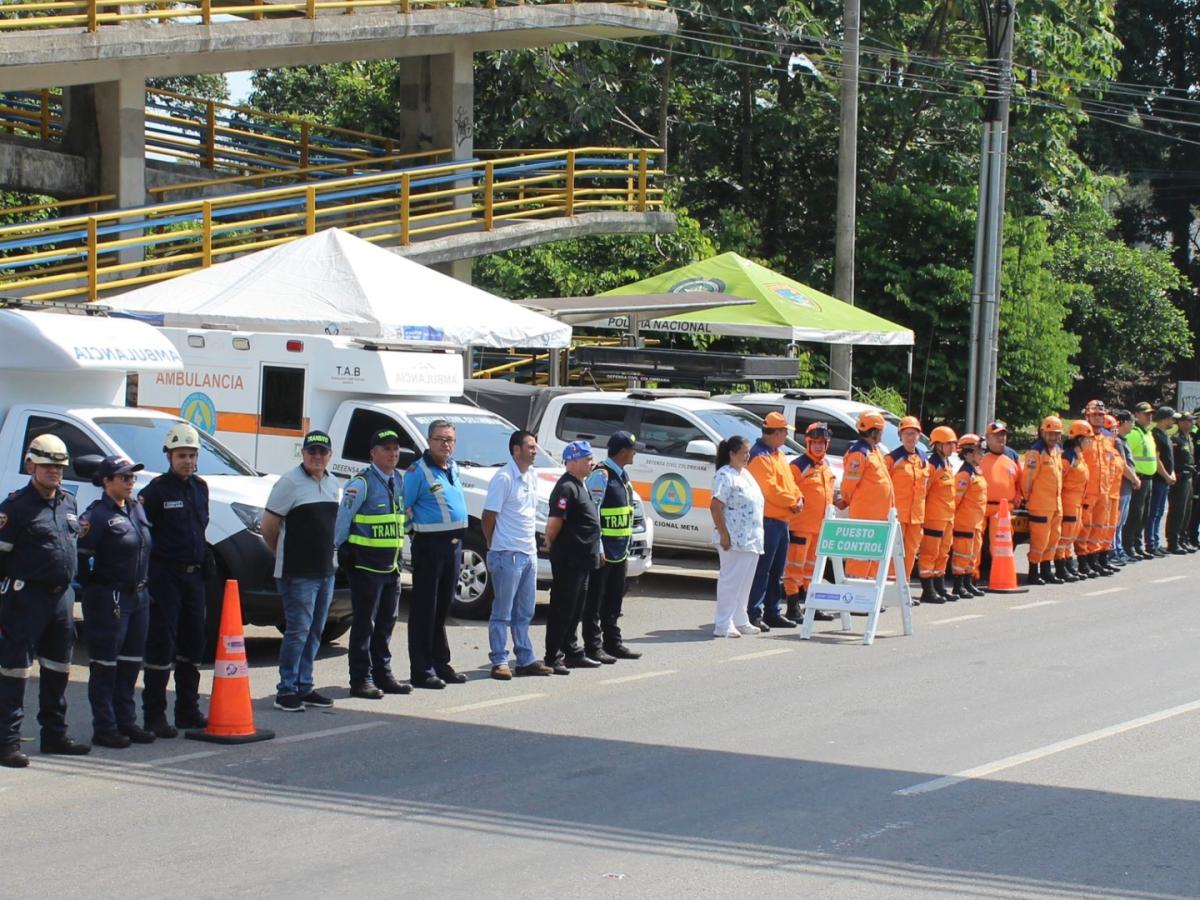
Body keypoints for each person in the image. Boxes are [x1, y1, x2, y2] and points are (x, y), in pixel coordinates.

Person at [0, 435, 91, 768]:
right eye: (48, 465)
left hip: (62, 597)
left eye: (60, 466)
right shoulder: (14, 507)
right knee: (15, 669)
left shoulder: (69, 502)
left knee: (58, 668)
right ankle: (7, 742)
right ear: (31, 465)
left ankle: (54, 734)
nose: (56, 471)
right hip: (26, 597)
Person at [77, 455, 156, 748]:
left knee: (131, 664)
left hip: (139, 596)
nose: (130, 482)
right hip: (110, 597)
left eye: (132, 477)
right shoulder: (95, 516)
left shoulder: (136, 509)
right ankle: (105, 727)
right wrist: (96, 590)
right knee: (105, 665)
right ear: (107, 482)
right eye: (124, 477)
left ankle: (126, 721)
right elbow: (81, 560)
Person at [261, 430, 341, 712]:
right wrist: (282, 554)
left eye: (322, 452)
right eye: (312, 452)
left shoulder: (333, 483)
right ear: (303, 453)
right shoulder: (289, 483)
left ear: (330, 455)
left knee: (316, 630)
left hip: (325, 571)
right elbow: (268, 527)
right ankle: (286, 690)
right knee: (298, 630)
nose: (317, 457)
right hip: (297, 573)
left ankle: (305, 686)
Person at [139, 422, 209, 738]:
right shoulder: (154, 492)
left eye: (192, 455)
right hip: (164, 576)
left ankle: (187, 710)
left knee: (192, 646)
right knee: (160, 647)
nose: (188, 461)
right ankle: (154, 716)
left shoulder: (200, 488)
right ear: (169, 455)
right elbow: (142, 535)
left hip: (194, 578)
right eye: (182, 455)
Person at [335, 429, 411, 699]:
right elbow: (342, 523)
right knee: (364, 624)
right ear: (372, 453)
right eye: (386, 448)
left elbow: (399, 519)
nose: (392, 453)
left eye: (395, 448)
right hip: (365, 567)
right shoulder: (361, 484)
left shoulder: (398, 480)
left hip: (391, 566)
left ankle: (383, 673)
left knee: (387, 622)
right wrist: (344, 553)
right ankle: (361, 679)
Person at [403, 419, 470, 689]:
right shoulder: (417, 471)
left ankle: (441, 663)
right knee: (424, 610)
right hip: (430, 547)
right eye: (440, 439)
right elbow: (403, 507)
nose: (445, 444)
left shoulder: (452, 467)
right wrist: (414, 534)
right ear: (429, 441)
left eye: (450, 440)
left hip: (453, 547)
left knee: (443, 608)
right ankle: (422, 669)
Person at [483, 430, 552, 679]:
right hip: (507, 553)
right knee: (503, 611)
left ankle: (525, 659)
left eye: (535, 446)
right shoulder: (503, 478)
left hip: (528, 553)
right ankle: (499, 660)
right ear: (516, 450)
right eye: (530, 446)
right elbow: (488, 516)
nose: (535, 451)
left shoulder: (532, 476)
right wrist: (493, 544)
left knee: (525, 611)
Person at [576, 431, 644, 662]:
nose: (635, 453)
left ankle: (613, 643)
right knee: (595, 601)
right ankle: (593, 646)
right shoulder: (602, 475)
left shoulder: (622, 475)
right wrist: (599, 547)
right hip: (604, 551)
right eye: (633, 449)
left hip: (621, 550)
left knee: (614, 600)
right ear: (623, 451)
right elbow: (593, 513)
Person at [542, 441, 602, 672]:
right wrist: (552, 542)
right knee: (563, 608)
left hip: (583, 560)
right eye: (587, 459)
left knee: (576, 608)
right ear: (574, 461)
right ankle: (553, 656)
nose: (592, 463)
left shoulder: (582, 484)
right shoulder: (566, 487)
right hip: (569, 560)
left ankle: (572, 651)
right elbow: (555, 522)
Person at [746, 412, 802, 630]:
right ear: (776, 432)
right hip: (769, 520)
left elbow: (789, 483)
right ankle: (754, 613)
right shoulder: (760, 456)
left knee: (776, 571)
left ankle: (772, 611)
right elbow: (770, 490)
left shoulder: (777, 454)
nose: (786, 435)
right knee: (763, 570)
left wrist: (799, 497)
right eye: (784, 431)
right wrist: (793, 502)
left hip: (781, 520)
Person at [710, 436, 765, 638]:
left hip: (751, 539)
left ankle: (741, 620)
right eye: (744, 452)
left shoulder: (746, 474)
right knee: (730, 581)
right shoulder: (725, 475)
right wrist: (724, 534)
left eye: (748, 452)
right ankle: (723, 623)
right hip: (733, 539)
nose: (747, 456)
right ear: (732, 454)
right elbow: (716, 506)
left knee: (744, 583)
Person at [783, 423, 837, 620]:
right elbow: (788, 490)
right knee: (795, 567)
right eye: (815, 443)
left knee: (813, 569)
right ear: (807, 443)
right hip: (801, 526)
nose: (819, 447)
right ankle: (792, 607)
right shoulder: (798, 466)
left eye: (822, 443)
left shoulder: (826, 466)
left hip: (820, 527)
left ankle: (812, 606)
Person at [837, 410, 896, 580]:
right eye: (880, 431)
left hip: (878, 515)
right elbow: (849, 483)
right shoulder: (859, 453)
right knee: (860, 556)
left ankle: (869, 592)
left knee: (875, 554)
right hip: (865, 514)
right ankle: (856, 590)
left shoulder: (873, 450)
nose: (882, 435)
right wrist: (846, 499)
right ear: (873, 431)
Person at [885, 416, 929, 587]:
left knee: (911, 552)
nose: (911, 437)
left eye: (914, 433)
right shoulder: (891, 459)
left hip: (916, 516)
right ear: (900, 436)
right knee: (894, 553)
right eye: (907, 433)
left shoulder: (923, 459)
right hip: (898, 515)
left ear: (919, 436)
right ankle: (889, 587)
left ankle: (904, 588)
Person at [918, 425, 958, 603]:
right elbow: (924, 492)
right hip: (933, 517)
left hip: (947, 517)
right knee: (929, 553)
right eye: (948, 444)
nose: (952, 447)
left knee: (944, 553)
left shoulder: (947, 464)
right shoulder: (932, 465)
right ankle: (928, 590)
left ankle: (940, 586)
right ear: (938, 445)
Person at [979, 420, 1022, 581]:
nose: (1001, 439)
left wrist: (1018, 496)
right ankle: (973, 574)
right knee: (974, 542)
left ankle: (998, 573)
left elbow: (1020, 480)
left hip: (1003, 508)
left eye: (1003, 436)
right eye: (997, 436)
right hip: (981, 505)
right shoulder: (980, 455)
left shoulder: (1012, 456)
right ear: (988, 439)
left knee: (1000, 544)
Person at [1024, 416, 1065, 586]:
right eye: (1050, 434)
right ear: (1042, 432)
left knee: (1053, 539)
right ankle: (1034, 572)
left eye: (1056, 434)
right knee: (1040, 540)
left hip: (1055, 504)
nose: (1053, 437)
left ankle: (1047, 570)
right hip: (1040, 505)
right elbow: (1028, 480)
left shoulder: (1056, 451)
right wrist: (1028, 499)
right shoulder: (1036, 452)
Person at [1078, 402, 1116, 577]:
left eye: (1101, 415)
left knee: (1099, 527)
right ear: (1088, 416)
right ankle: (1083, 562)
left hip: (1104, 491)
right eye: (1095, 415)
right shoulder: (1084, 439)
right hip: (1087, 492)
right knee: (1085, 528)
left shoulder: (1107, 440)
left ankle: (1096, 560)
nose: (1098, 418)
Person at [950, 433, 988, 598]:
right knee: (962, 556)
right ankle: (958, 586)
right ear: (968, 453)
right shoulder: (964, 475)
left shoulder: (975, 472)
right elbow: (956, 500)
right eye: (979, 451)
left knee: (972, 556)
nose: (982, 454)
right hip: (965, 523)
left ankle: (968, 582)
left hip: (976, 523)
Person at [1124, 402, 1158, 560]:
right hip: (1138, 479)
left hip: (1148, 479)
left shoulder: (1147, 433)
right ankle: (1128, 546)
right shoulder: (1134, 433)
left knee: (1143, 515)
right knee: (1135, 515)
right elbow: (1124, 456)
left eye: (1151, 413)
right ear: (1136, 415)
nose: (1150, 416)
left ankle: (1138, 545)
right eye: (1146, 413)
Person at [1060, 421, 1094, 582]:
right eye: (1088, 438)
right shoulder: (1068, 456)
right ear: (1079, 439)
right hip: (1068, 501)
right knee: (1065, 536)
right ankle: (1062, 567)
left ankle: (1068, 565)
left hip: (1077, 501)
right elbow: (1060, 479)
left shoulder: (1078, 456)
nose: (1091, 442)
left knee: (1071, 536)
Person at [1146, 406, 1177, 556]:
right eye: (1171, 418)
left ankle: (1156, 542)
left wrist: (1172, 474)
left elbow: (1169, 458)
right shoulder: (1155, 435)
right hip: (1159, 479)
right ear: (1164, 419)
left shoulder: (1166, 435)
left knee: (1159, 513)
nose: (1173, 421)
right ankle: (1150, 543)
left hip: (1166, 479)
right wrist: (1166, 475)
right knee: (1153, 512)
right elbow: (1157, 459)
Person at [1112, 410, 1140, 564]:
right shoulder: (1117, 441)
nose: (1133, 424)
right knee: (1117, 522)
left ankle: (1118, 549)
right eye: (1131, 421)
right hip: (1122, 487)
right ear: (1124, 422)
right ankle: (1114, 550)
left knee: (1121, 522)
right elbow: (1122, 465)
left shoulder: (1123, 440)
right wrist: (1135, 478)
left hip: (1126, 487)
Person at [1166, 409, 1195, 554]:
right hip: (1180, 478)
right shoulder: (1176, 439)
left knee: (1187, 511)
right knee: (1177, 511)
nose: (1191, 423)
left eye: (1191, 421)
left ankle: (1183, 539)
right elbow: (1172, 460)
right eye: (1188, 421)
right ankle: (1173, 541)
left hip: (1190, 477)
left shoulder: (1188, 437)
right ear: (1181, 422)